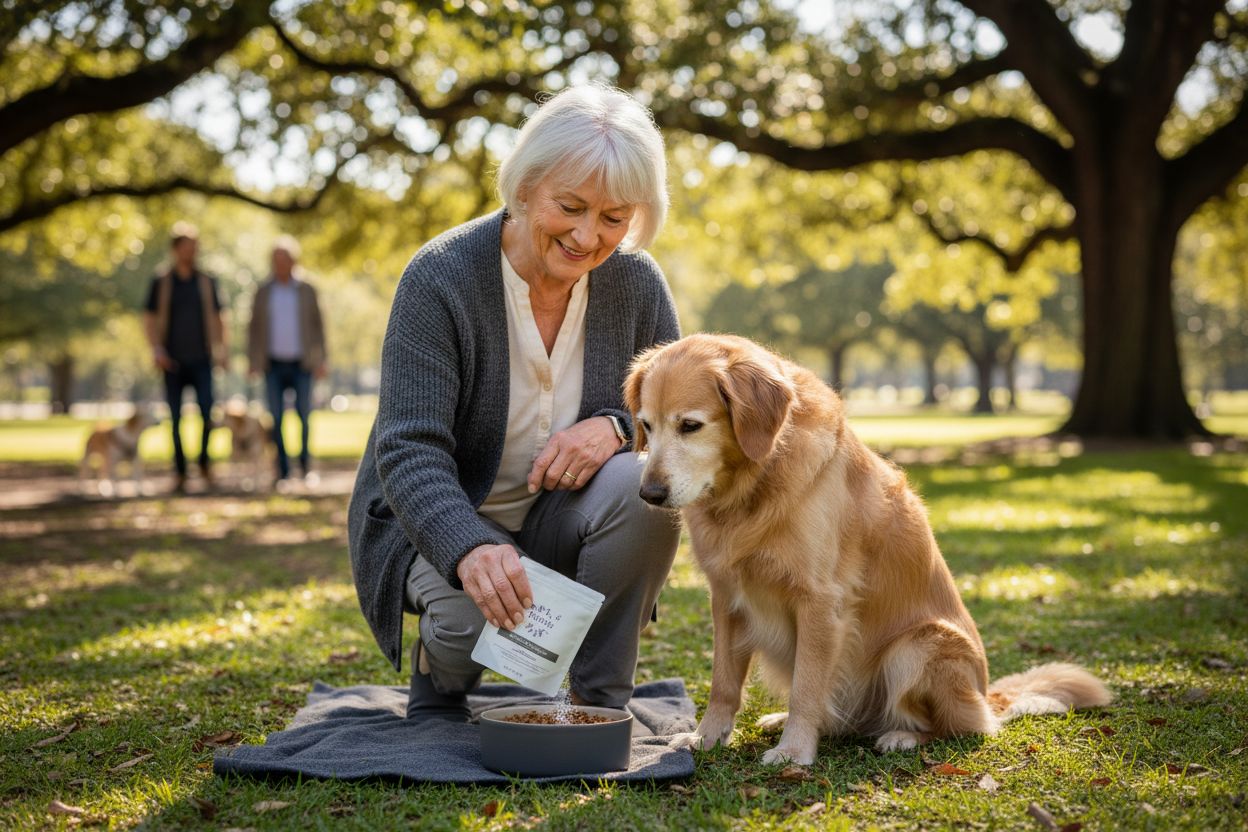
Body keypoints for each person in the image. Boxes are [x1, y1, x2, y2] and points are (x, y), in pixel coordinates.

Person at [347, 84, 682, 721]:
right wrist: (470, 546)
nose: (588, 236)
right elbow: (408, 449)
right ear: (525, 186)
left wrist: (615, 427)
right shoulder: (440, 276)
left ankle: (598, 705)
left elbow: (672, 417)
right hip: (438, 524)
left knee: (646, 486)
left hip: (557, 519)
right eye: (571, 206)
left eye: (614, 218)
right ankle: (440, 672)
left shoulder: (637, 282)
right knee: (471, 625)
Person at [142, 222, 226, 493]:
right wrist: (156, 349)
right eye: (187, 246)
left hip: (203, 359)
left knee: (206, 414)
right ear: (176, 249)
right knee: (175, 418)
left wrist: (221, 349)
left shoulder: (206, 280)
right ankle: (179, 471)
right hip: (172, 361)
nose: (192, 251)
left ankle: (204, 463)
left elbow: (218, 317)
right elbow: (149, 317)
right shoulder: (162, 281)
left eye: (194, 246)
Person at [247, 236, 328, 484]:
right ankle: (282, 470)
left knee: (304, 416)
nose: (280, 264)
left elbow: (319, 325)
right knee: (277, 419)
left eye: (284, 260)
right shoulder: (263, 291)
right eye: (276, 260)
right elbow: (253, 327)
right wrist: (253, 360)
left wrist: (322, 358)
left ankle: (305, 467)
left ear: (293, 261)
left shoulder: (306, 289)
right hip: (272, 363)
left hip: (302, 363)